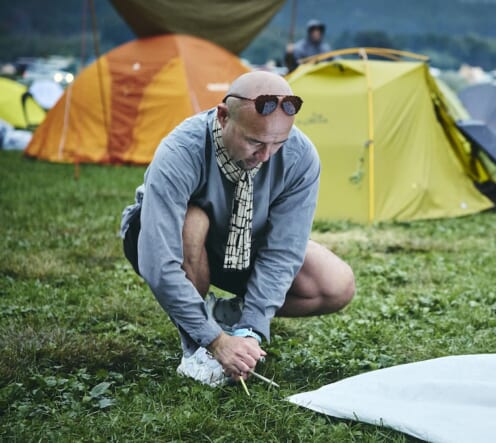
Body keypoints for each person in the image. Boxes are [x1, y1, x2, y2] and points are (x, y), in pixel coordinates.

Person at [119, 71, 355, 387]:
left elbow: (283, 251)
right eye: (254, 141)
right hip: (171, 243)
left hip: (241, 246)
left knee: (336, 284)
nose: (266, 156)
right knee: (194, 220)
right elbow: (158, 262)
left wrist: (252, 328)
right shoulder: (180, 151)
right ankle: (197, 344)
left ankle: (228, 317)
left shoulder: (300, 156)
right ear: (222, 117)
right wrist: (214, 341)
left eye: (278, 143)